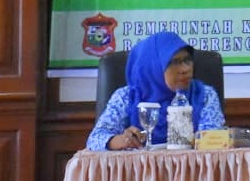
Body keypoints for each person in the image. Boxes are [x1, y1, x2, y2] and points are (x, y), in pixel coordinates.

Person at [86, 31, 225, 150]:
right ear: (153, 67)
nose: (185, 69)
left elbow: (214, 142)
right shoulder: (126, 97)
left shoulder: (204, 95)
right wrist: (119, 140)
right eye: (174, 62)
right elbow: (95, 139)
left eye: (187, 60)